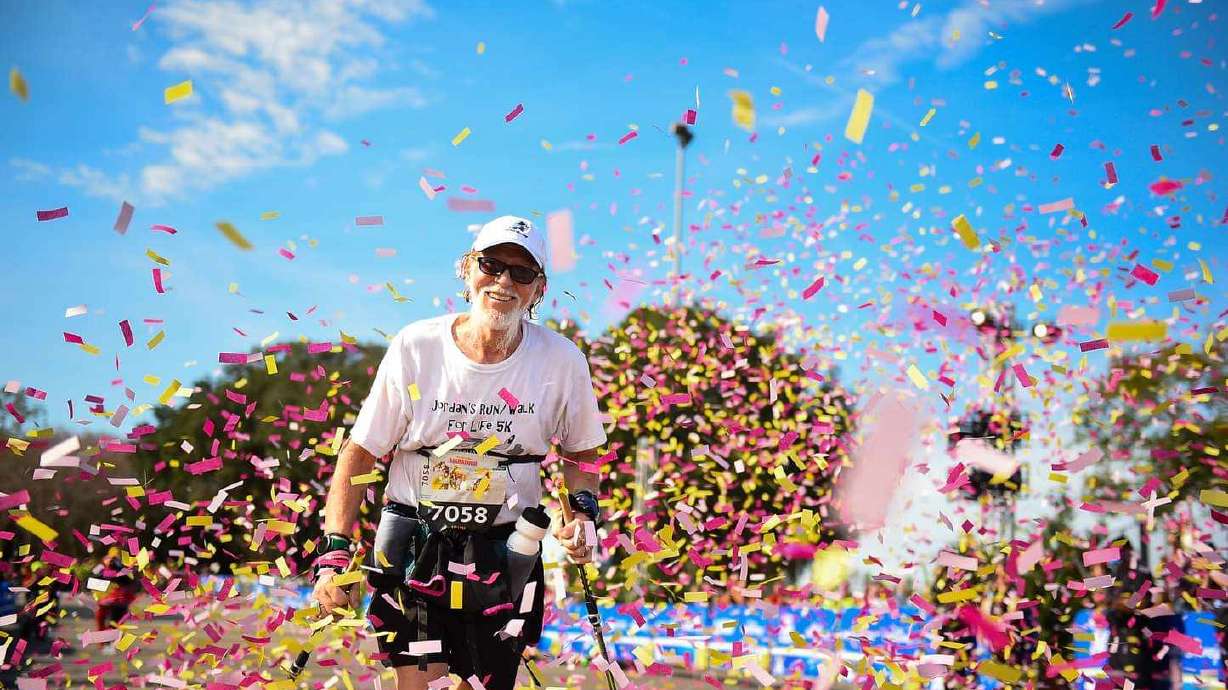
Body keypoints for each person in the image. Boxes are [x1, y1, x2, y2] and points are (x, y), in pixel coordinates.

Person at [311, 215, 607, 690]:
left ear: (539, 289)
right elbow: (360, 452)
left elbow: (582, 453)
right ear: (468, 269)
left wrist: (585, 514)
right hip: (415, 543)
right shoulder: (417, 345)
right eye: (492, 265)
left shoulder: (562, 359)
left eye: (522, 272)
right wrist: (335, 549)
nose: (504, 281)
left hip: (505, 552)